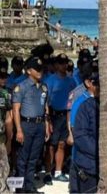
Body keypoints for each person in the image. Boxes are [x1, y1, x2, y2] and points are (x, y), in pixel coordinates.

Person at [12, 57, 50, 193]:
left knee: (34, 158)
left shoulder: (44, 86)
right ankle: (20, 188)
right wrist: (19, 130)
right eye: (37, 69)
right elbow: (16, 109)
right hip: (26, 125)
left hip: (40, 126)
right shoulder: (21, 87)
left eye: (41, 69)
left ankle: (29, 186)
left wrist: (46, 125)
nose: (40, 72)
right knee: (23, 158)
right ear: (29, 71)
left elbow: (45, 107)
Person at [43, 53, 77, 183]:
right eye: (61, 63)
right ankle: (47, 172)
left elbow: (74, 99)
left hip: (65, 115)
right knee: (51, 145)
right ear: (56, 65)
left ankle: (58, 171)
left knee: (62, 144)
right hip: (53, 115)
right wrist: (48, 120)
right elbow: (46, 101)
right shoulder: (50, 80)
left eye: (65, 62)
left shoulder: (71, 81)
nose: (64, 65)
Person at [69, 66, 99, 193]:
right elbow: (75, 129)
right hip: (82, 159)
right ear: (88, 83)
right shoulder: (80, 101)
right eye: (96, 83)